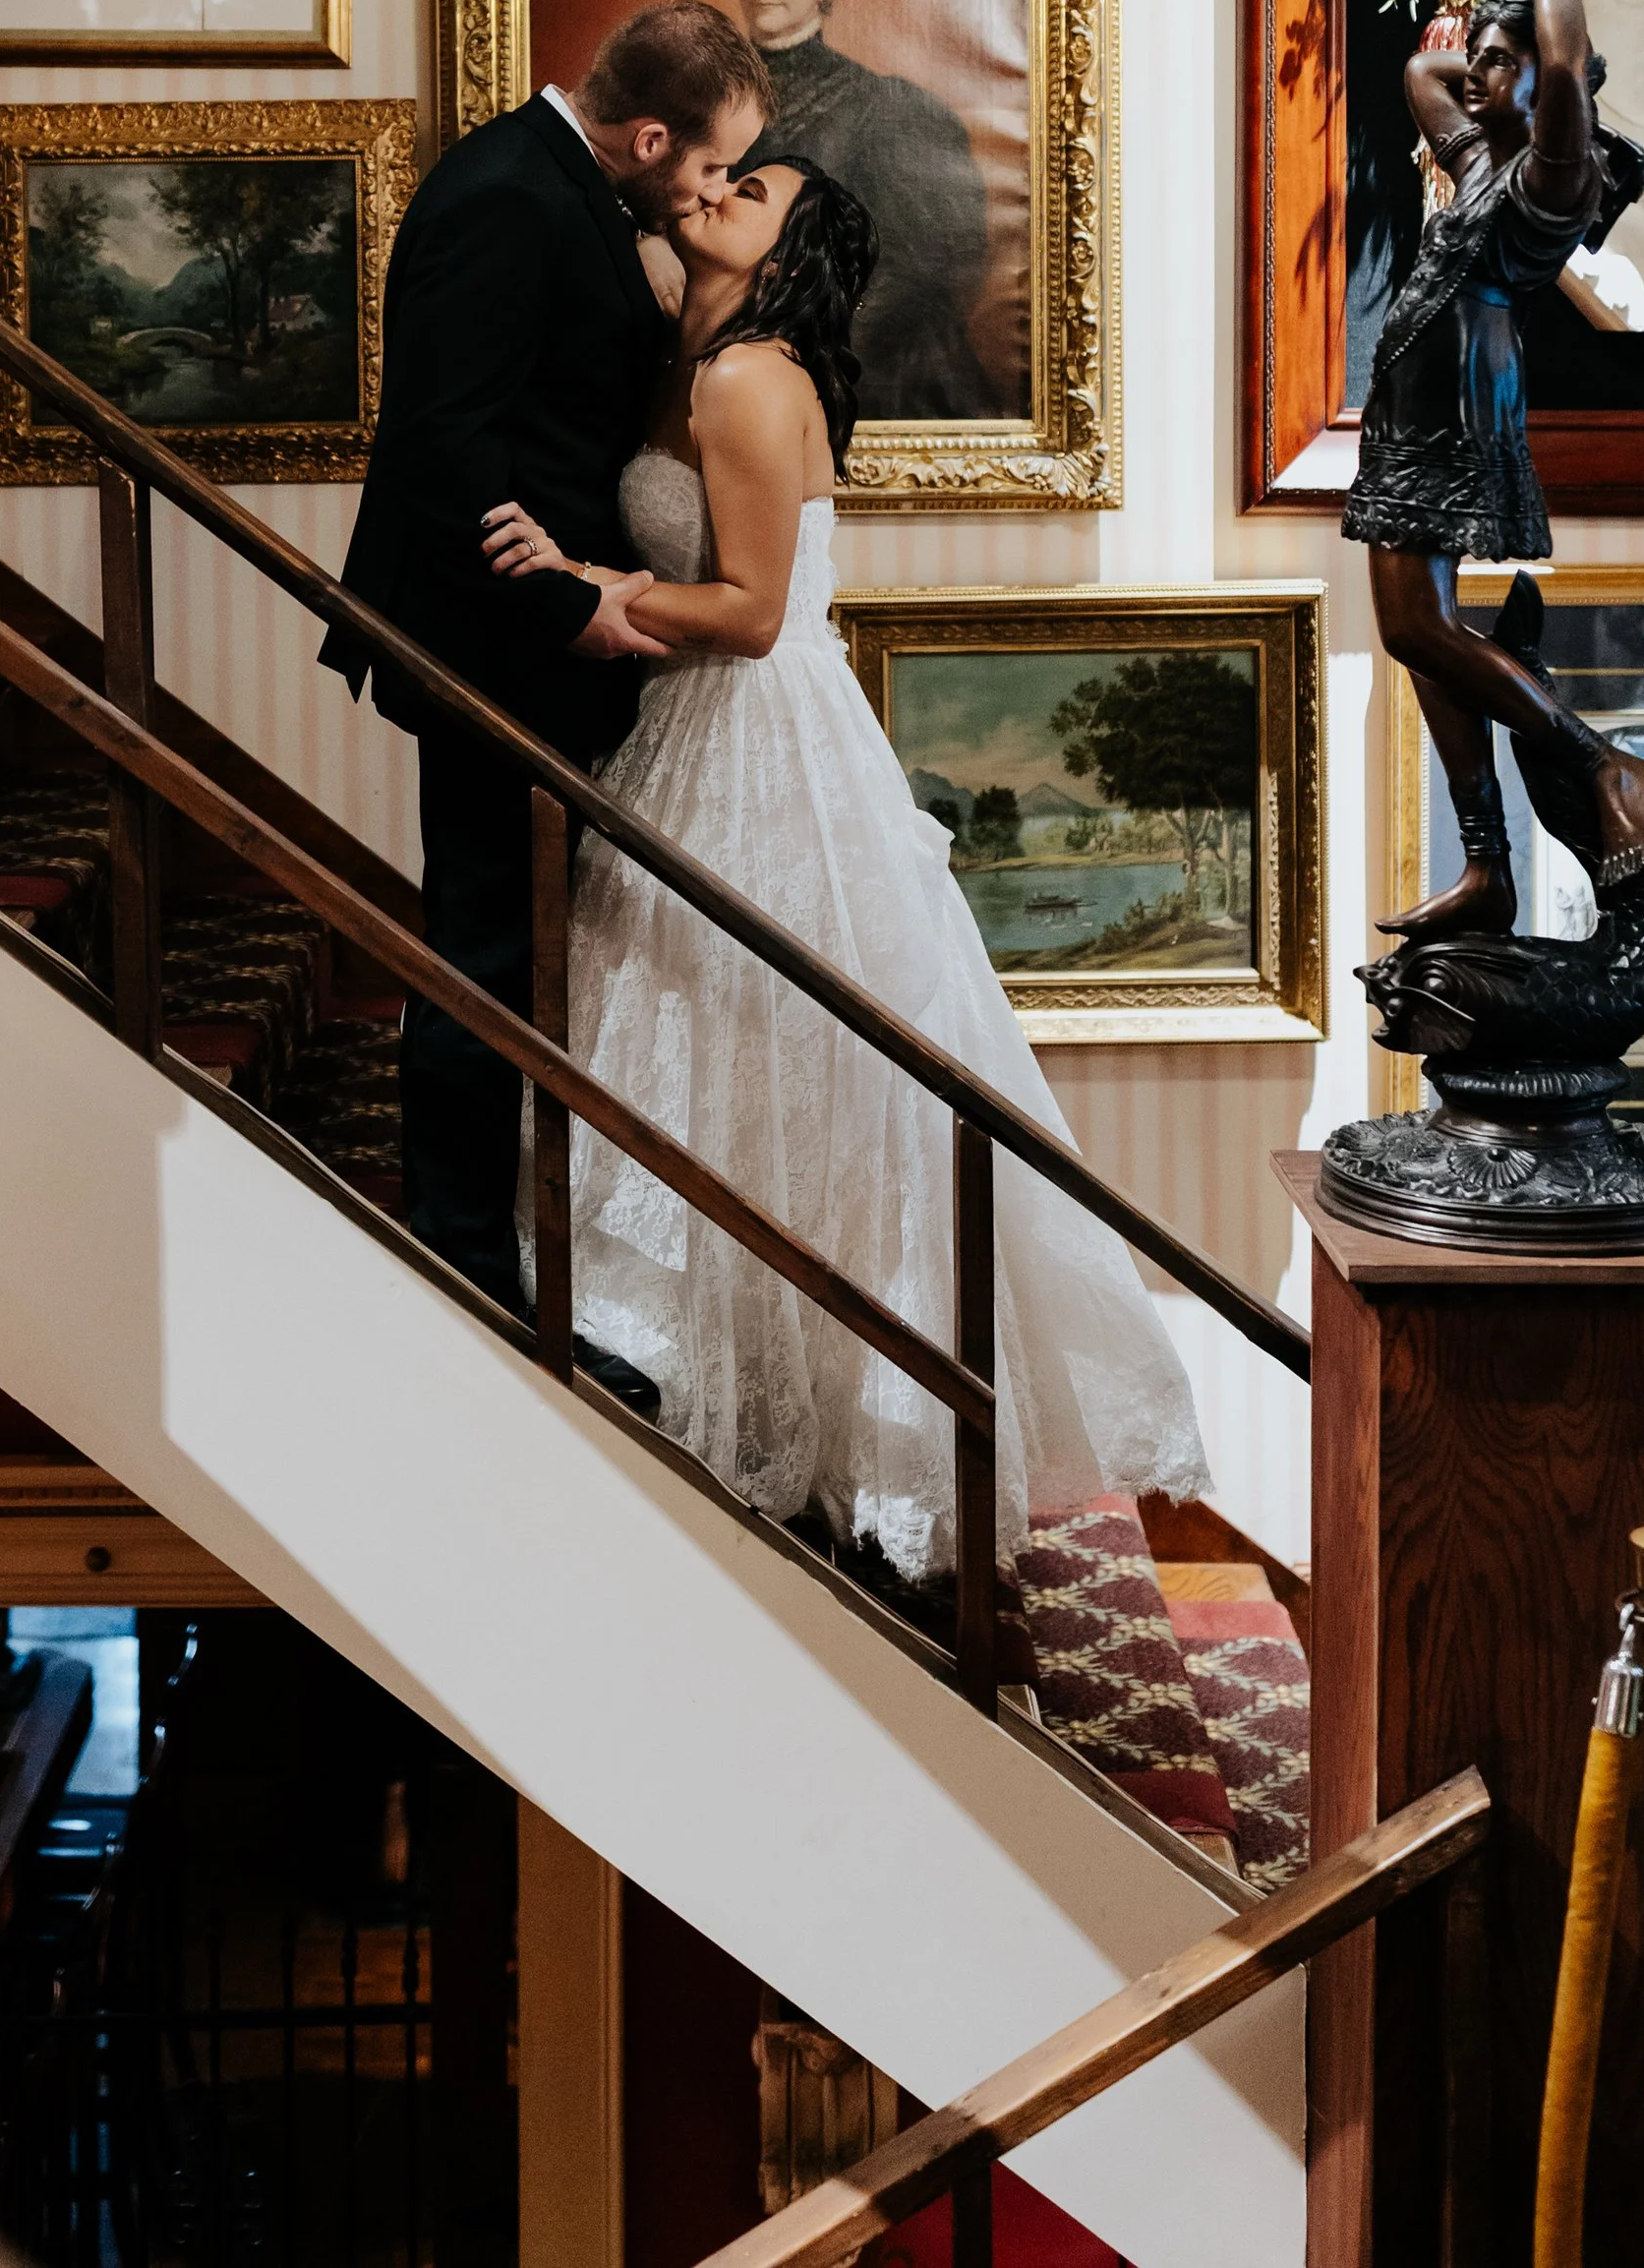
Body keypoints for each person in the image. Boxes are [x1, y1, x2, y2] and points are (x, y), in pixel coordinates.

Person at [480, 157, 1205, 1582]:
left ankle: (819, 1448)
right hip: (708, 732)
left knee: (770, 1058)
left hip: (757, 733)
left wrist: (592, 595)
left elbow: (750, 615)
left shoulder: (749, 379)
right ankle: (753, 1415)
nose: (710, 186)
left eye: (746, 186)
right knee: (723, 1065)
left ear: (789, 243)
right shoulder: (712, 360)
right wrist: (585, 565)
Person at [324, 0, 775, 1400]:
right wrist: (564, 600)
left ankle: (496, 1247)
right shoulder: (509, 198)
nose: (705, 193)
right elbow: (443, 438)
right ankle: (464, 1265)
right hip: (488, 647)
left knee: (517, 950)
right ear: (649, 137)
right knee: (483, 955)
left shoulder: (557, 186)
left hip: (525, 634)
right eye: (705, 167)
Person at [1347, 0, 1644, 935]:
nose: (1470, 73)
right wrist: (1490, 41)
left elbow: (1564, 67)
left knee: (1415, 628)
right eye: (1476, 57)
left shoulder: (1551, 178)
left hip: (1453, 413)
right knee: (1421, 633)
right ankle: (1488, 866)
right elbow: (1416, 67)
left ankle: (1598, 762)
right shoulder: (1482, 155)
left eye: (1495, 61)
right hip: (1412, 409)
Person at [717, 0, 994, 417]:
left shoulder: (889, 109)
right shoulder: (706, 106)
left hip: (868, 380)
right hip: (731, 374)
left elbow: (931, 265)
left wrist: (798, 355)